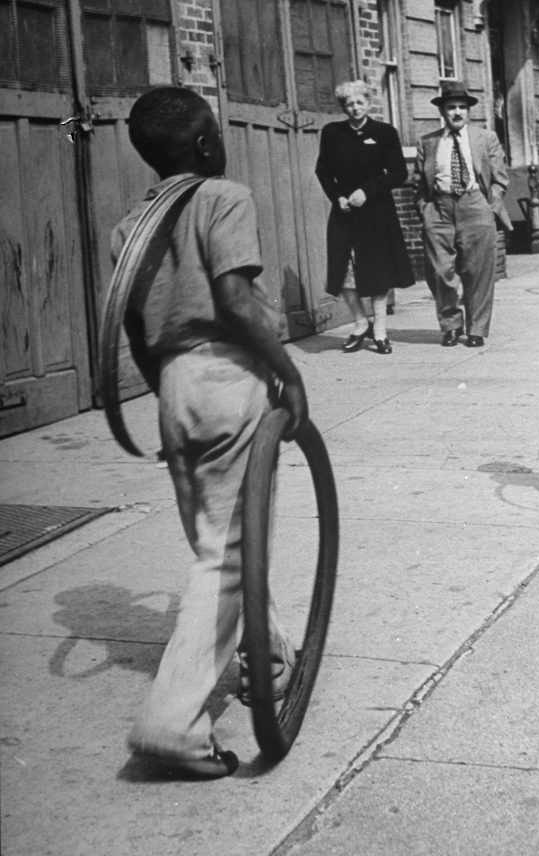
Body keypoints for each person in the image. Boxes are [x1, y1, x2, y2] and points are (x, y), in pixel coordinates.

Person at [112, 86, 307, 779]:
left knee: (218, 536)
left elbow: (134, 329)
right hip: (228, 377)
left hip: (173, 384)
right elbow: (235, 300)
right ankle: (173, 723)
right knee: (224, 555)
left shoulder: (131, 226)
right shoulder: (224, 197)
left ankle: (271, 656)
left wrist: (167, 391)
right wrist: (287, 372)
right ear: (204, 146)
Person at [315, 80, 414, 355]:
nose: (355, 108)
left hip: (376, 210)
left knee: (378, 270)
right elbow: (323, 171)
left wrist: (367, 192)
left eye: (360, 102)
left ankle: (380, 330)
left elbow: (398, 173)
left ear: (368, 103)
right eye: (349, 104)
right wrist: (339, 197)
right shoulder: (332, 133)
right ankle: (360, 323)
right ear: (343, 107)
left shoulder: (383, 132)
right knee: (342, 270)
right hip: (345, 211)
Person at [413, 81, 512, 347]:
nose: (457, 112)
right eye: (451, 108)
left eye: (461, 108)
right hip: (439, 210)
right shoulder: (428, 142)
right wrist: (425, 210)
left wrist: (491, 206)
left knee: (478, 272)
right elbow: (419, 184)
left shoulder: (485, 138)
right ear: (442, 112)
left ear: (468, 111)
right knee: (440, 272)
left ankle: (476, 329)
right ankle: (451, 325)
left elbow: (500, 179)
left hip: (476, 206)